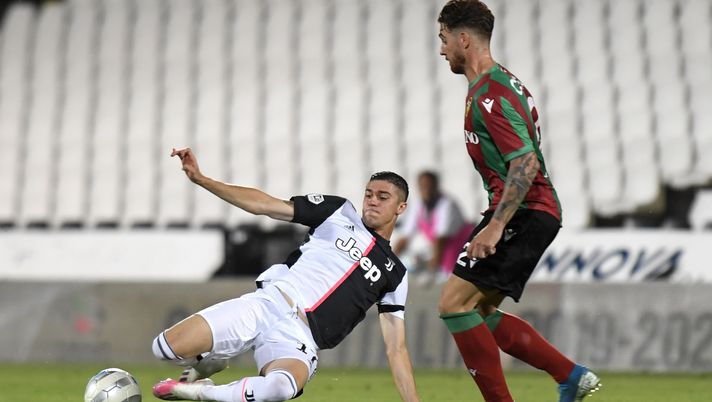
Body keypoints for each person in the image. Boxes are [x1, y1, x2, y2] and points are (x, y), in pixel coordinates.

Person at [151, 148, 421, 402]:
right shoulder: (338, 212)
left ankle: (195, 392)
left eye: (383, 197)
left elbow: (396, 348)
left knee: (280, 388)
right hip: (269, 304)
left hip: (299, 339)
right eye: (369, 194)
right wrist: (202, 179)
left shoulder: (395, 272)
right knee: (164, 348)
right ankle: (214, 359)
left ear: (401, 207)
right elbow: (265, 205)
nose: (372, 201)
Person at [435, 1, 601, 401]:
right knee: (480, 312)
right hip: (526, 210)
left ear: (463, 39)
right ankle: (570, 376)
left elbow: (525, 161)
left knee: (454, 304)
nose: (441, 50)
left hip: (524, 211)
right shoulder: (494, 86)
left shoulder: (492, 94)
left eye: (443, 39)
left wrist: (496, 223)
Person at [393, 171, 474, 286]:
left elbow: (441, 239)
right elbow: (405, 236)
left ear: (436, 186)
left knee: (454, 283)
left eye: (429, 186)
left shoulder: (447, 204)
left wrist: (432, 270)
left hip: (460, 250)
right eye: (423, 187)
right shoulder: (418, 205)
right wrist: (390, 261)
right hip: (442, 250)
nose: (426, 190)